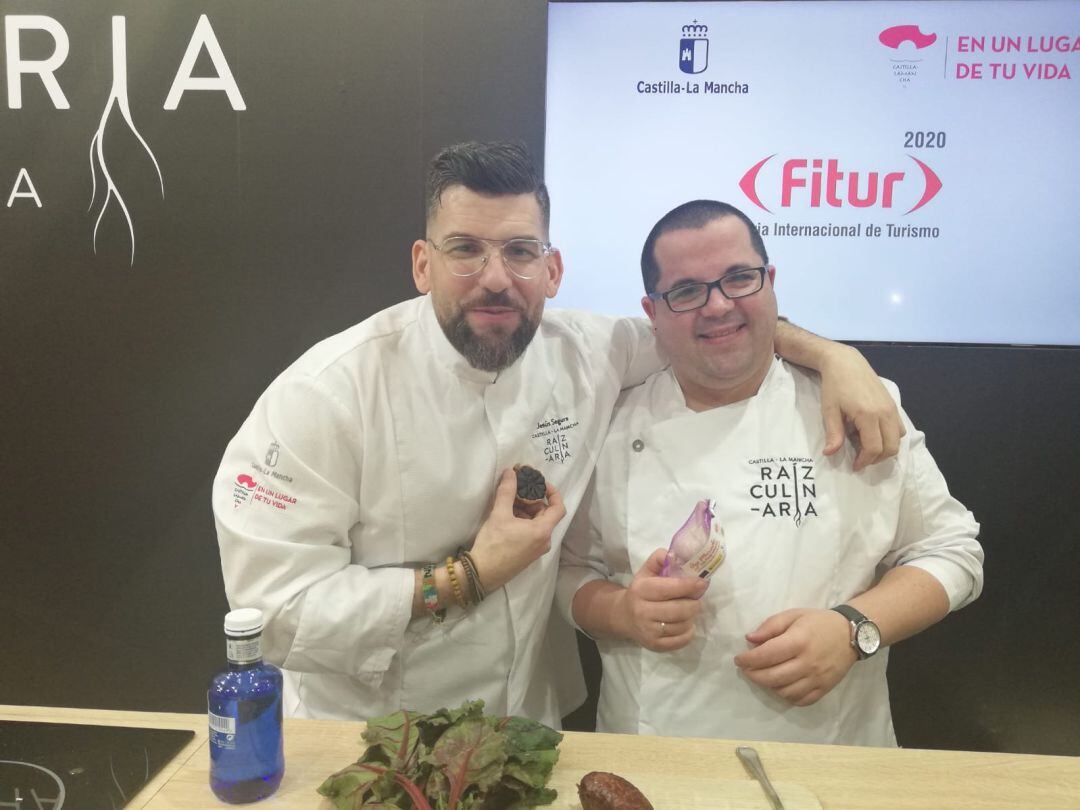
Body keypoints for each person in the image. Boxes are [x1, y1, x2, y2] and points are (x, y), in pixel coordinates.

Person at [212, 143, 903, 727]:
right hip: (376, 732)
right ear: (422, 264)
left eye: (519, 251)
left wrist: (833, 356)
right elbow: (274, 614)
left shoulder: (589, 350)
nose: (494, 279)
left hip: (528, 724)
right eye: (465, 251)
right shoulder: (325, 396)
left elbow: (709, 326)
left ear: (552, 268)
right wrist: (469, 577)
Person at [557, 200, 984, 745]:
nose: (717, 307)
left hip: (830, 756)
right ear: (653, 310)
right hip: (655, 759)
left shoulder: (860, 408)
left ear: (770, 283)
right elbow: (568, 572)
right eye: (687, 291)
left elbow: (953, 552)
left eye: (739, 278)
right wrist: (622, 611)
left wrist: (854, 629)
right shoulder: (611, 425)